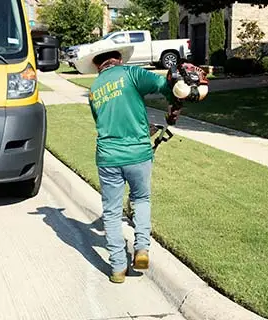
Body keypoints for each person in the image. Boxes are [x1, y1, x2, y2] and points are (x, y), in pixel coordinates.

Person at [74, 41, 180, 283]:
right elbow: (166, 86)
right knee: (141, 199)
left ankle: (118, 268)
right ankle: (141, 248)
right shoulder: (131, 73)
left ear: (98, 64)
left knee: (111, 212)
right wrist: (173, 107)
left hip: (108, 156)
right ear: (118, 59)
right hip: (138, 154)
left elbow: (106, 122)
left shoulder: (95, 89)